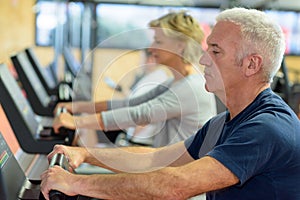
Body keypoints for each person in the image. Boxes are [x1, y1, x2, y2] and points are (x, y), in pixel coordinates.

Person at [41, 7, 300, 199]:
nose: (203, 60)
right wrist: (85, 154)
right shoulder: (223, 122)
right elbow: (158, 157)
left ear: (251, 64)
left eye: (216, 51)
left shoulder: (266, 128)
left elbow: (175, 184)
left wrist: (77, 184)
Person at [53, 11, 217, 147]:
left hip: (179, 179)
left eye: (158, 41)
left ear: (180, 45)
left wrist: (78, 122)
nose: (151, 47)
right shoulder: (176, 82)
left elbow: (139, 114)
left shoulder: (191, 87)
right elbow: (130, 104)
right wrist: (75, 107)